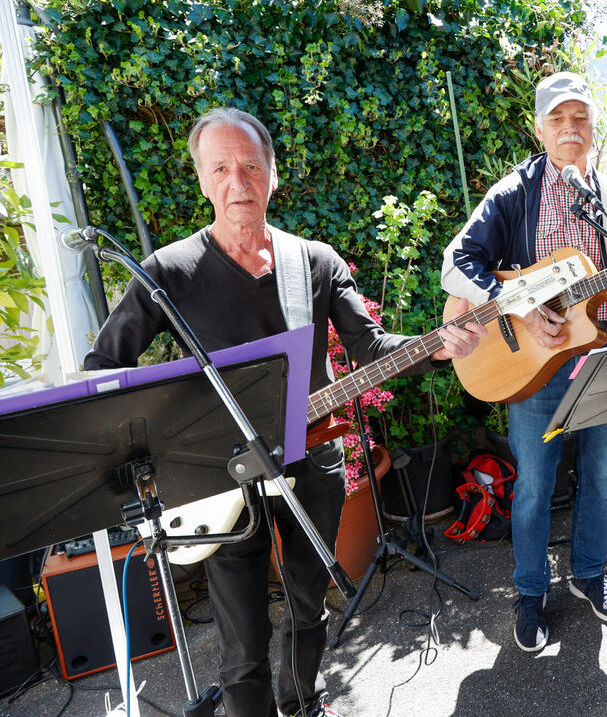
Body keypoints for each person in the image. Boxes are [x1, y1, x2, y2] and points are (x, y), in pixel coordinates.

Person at [83, 108, 485, 717]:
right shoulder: (167, 271)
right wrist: (161, 435)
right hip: (220, 475)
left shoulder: (314, 260)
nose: (237, 181)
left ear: (273, 174)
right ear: (201, 180)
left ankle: (301, 700)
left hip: (314, 456)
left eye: (250, 165)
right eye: (220, 167)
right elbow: (104, 368)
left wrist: (438, 344)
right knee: (242, 635)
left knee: (306, 605)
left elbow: (370, 348)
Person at [440, 72, 607, 652]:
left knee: (600, 478)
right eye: (558, 119)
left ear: (593, 127)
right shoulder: (513, 193)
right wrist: (515, 303)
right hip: (531, 364)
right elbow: (458, 258)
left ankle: (590, 575)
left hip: (605, 361)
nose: (570, 128)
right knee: (535, 487)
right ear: (539, 128)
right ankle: (531, 594)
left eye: (580, 118)